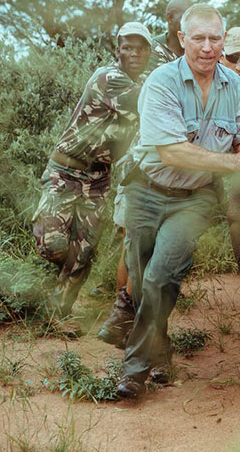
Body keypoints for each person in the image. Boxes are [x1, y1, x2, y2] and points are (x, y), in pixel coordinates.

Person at [116, 3, 240, 399]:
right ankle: (161, 353)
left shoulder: (236, 87)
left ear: (222, 41)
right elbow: (173, 153)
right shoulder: (161, 82)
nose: (207, 47)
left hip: (195, 198)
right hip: (147, 187)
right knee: (142, 284)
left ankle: (134, 373)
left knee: (160, 276)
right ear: (181, 40)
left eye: (214, 38)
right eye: (199, 38)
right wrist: (236, 162)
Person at [32, 22, 153, 318]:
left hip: (98, 179)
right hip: (66, 171)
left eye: (140, 49)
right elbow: (146, 101)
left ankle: (58, 312)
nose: (134, 54)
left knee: (83, 251)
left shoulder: (148, 81)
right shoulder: (109, 78)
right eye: (127, 48)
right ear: (118, 50)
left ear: (148, 52)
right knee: (54, 246)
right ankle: (42, 279)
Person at [97, 0, 193, 346]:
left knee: (147, 249)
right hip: (140, 165)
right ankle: (125, 315)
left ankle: (127, 318)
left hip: (164, 167)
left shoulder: (175, 60)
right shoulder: (135, 73)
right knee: (134, 244)